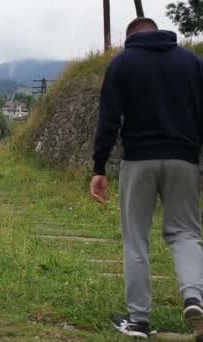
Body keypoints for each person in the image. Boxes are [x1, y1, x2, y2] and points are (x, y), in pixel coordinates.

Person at [91, 17, 203, 339]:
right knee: (185, 234)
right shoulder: (191, 62)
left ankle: (138, 319)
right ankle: (194, 298)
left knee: (136, 238)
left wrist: (99, 168)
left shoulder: (122, 64)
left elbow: (109, 120)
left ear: (130, 38)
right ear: (158, 32)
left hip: (139, 161)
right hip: (184, 159)